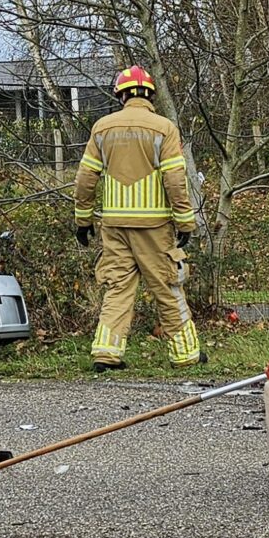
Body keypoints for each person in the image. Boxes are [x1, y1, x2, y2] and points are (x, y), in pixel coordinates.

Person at [73, 65, 201, 370]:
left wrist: (83, 219)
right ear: (150, 95)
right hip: (154, 227)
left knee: (117, 287)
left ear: (121, 95)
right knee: (168, 286)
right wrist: (185, 221)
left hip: (114, 226)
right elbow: (174, 178)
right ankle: (186, 354)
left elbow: (85, 177)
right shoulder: (164, 128)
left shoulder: (102, 127)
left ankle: (106, 353)